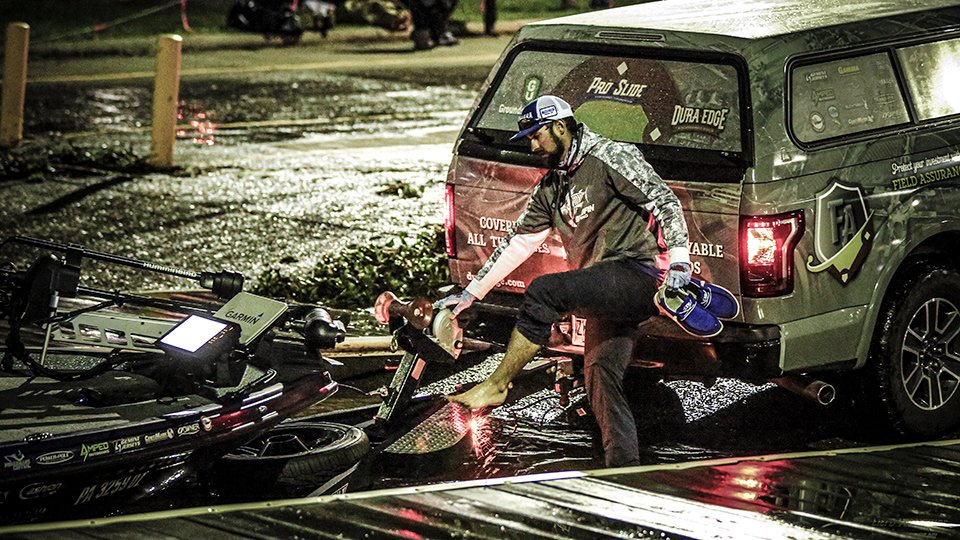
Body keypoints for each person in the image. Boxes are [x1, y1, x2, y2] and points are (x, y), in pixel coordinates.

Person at [443, 95, 691, 467]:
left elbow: (664, 201)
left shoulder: (610, 156)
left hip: (637, 274)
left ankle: (498, 384)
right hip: (603, 287)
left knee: (546, 290)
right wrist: (469, 294)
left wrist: (680, 263)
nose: (532, 145)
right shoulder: (553, 183)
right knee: (600, 376)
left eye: (536, 135)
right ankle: (623, 468)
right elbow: (520, 242)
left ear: (560, 127)